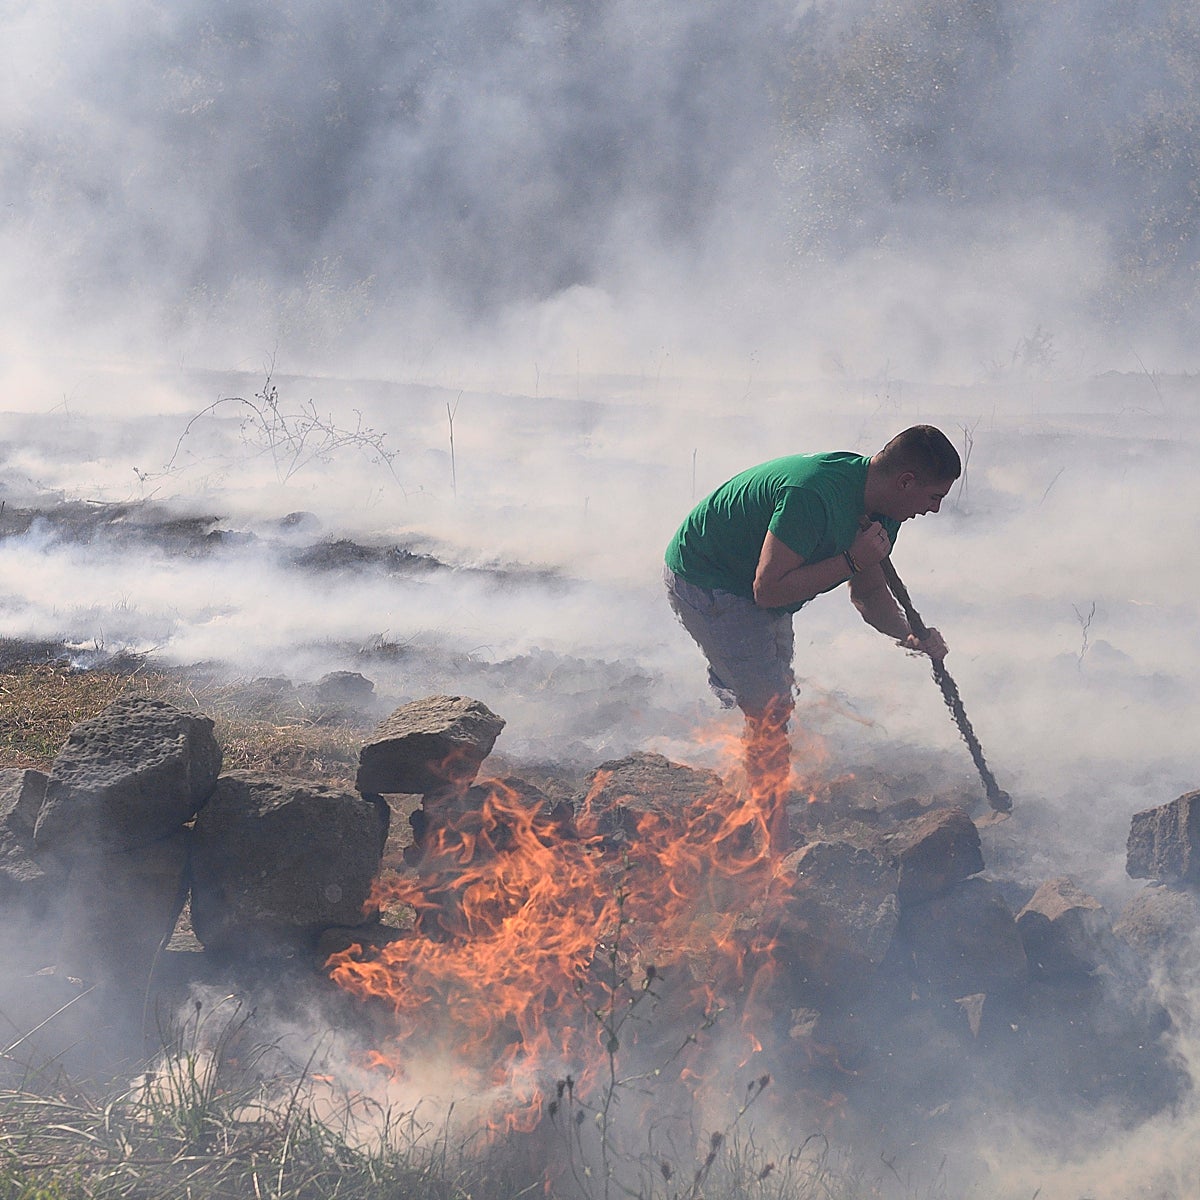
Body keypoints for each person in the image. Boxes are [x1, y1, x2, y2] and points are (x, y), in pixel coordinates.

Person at [663, 424, 961, 852]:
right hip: (709, 578)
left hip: (760, 585)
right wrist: (850, 559)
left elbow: (869, 594)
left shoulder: (882, 513)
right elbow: (767, 591)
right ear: (905, 481)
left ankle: (765, 804)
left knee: (771, 696)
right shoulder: (813, 497)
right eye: (934, 497)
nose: (934, 509)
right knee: (769, 710)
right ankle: (775, 846)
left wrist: (910, 634)